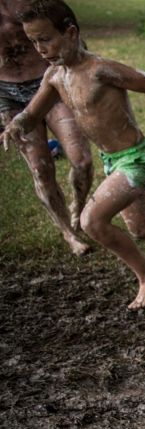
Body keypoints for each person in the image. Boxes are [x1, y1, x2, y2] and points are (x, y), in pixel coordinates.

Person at [2, 0, 145, 309]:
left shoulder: (100, 70)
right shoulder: (54, 76)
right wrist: (17, 124)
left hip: (136, 160)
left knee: (92, 222)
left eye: (45, 39)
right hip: (114, 162)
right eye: (33, 41)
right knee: (141, 230)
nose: (39, 48)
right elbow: (33, 113)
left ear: (71, 32)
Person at [0, 0, 92, 255]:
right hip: (7, 91)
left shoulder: (40, 3)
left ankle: (78, 208)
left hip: (50, 81)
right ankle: (68, 233)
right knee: (40, 168)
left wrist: (81, 75)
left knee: (82, 160)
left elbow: (70, 32)